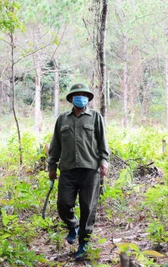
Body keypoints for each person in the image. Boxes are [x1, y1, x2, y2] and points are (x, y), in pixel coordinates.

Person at [47, 83, 109, 260]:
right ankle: (73, 225)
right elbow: (55, 145)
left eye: (83, 95)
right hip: (67, 170)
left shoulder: (96, 118)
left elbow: (103, 143)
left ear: (88, 99)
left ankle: (83, 243)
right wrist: (52, 166)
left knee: (88, 208)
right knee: (63, 204)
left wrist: (104, 161)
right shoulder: (62, 120)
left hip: (90, 170)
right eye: (77, 95)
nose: (80, 97)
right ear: (71, 99)